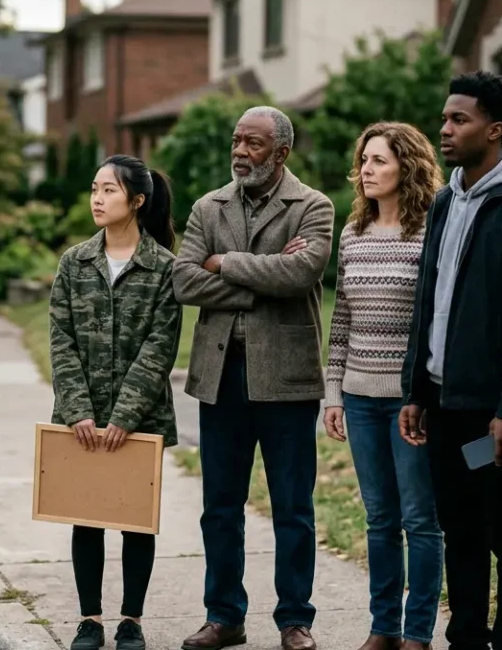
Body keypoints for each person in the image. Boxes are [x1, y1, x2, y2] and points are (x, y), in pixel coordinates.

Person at [399, 71, 502, 650]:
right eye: (444, 118)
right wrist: (416, 389)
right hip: (443, 402)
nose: (444, 129)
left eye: (458, 120)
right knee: (459, 529)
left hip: (492, 411)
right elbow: (428, 298)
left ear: (493, 131)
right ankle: (465, 634)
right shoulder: (446, 199)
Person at [172, 106, 334, 650]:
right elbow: (183, 280)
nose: (241, 152)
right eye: (237, 141)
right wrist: (254, 277)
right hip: (220, 374)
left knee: (293, 506)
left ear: (282, 153)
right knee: (220, 505)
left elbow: (300, 273)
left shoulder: (313, 206)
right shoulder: (207, 206)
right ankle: (225, 616)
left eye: (255, 144)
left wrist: (223, 263)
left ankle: (295, 620)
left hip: (286, 378)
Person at [49, 154, 184, 650]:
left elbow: (160, 347)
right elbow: (61, 340)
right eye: (94, 189)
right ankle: (90, 619)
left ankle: (132, 620)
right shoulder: (73, 262)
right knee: (85, 516)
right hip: (80, 417)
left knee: (134, 518)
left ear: (138, 201)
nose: (97, 199)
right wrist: (79, 410)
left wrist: (125, 417)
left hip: (140, 418)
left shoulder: (164, 269)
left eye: (108, 190)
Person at [322, 122, 443, 650]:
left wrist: (425, 394)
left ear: (407, 169)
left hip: (409, 401)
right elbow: (342, 319)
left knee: (420, 519)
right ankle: (383, 628)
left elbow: (437, 319)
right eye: (364, 161)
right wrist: (333, 394)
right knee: (379, 519)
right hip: (359, 396)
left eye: (378, 161)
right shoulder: (352, 234)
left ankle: (417, 632)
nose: (366, 170)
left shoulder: (430, 231)